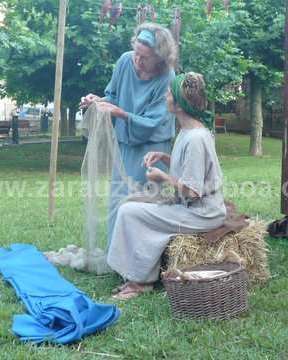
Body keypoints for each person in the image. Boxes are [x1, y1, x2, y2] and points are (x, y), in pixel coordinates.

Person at [107, 72, 227, 300]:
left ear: (179, 105)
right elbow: (192, 170)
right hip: (193, 208)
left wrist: (163, 178)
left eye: (169, 93)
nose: (165, 96)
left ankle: (141, 282)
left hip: (202, 213)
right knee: (131, 202)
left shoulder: (195, 138)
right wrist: (164, 156)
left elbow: (192, 190)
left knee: (129, 212)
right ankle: (137, 275)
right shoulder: (188, 130)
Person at [79, 23, 177, 243]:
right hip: (124, 145)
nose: (138, 61)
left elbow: (153, 121)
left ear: (160, 59)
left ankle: (142, 260)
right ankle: (117, 256)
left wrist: (120, 112)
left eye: (145, 58)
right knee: (119, 200)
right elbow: (112, 96)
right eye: (136, 54)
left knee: (144, 204)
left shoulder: (167, 77)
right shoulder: (125, 61)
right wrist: (98, 102)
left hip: (151, 149)